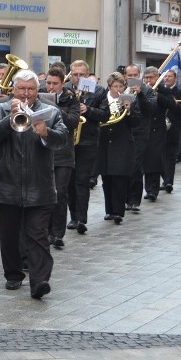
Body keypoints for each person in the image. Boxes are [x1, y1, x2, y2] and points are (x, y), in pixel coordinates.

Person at [0, 69, 67, 300]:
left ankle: (40, 280)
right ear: (14, 90)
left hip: (39, 185)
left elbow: (63, 139)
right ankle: (13, 273)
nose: (27, 94)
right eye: (22, 89)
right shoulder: (0, 108)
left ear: (37, 90)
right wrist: (9, 120)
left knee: (38, 235)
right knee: (8, 234)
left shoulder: (50, 110)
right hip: (6, 184)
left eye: (31, 89)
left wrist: (46, 132)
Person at [66, 59, 109, 234]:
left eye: (81, 75)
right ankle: (73, 215)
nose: (77, 78)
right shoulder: (66, 89)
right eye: (75, 75)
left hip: (88, 141)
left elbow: (105, 115)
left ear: (87, 74)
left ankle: (81, 218)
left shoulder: (97, 90)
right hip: (68, 141)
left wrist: (88, 110)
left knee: (82, 180)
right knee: (69, 181)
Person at [96, 72, 140, 225]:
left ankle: (118, 211)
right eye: (115, 86)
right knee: (107, 178)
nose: (118, 89)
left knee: (120, 178)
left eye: (121, 86)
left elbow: (136, 122)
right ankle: (109, 210)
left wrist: (129, 110)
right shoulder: (102, 99)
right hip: (104, 143)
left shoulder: (129, 100)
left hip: (122, 143)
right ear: (109, 87)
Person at [43, 67, 80, 249]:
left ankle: (58, 233)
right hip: (44, 153)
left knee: (60, 192)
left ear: (62, 84)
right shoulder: (39, 97)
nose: (50, 87)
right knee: (46, 194)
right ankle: (45, 230)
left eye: (54, 84)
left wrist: (55, 107)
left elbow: (73, 122)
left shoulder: (71, 99)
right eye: (48, 83)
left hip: (64, 154)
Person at [123, 64, 156, 212]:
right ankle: (123, 198)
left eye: (135, 75)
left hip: (140, 132)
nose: (132, 78)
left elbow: (150, 108)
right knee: (124, 166)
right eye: (129, 76)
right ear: (125, 76)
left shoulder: (147, 90)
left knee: (136, 166)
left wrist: (141, 93)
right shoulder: (120, 88)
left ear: (139, 75)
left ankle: (134, 200)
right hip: (124, 132)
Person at [142, 66, 173, 201]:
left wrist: (157, 94)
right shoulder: (141, 89)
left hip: (157, 129)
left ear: (157, 77)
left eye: (151, 77)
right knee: (146, 160)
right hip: (144, 128)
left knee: (154, 158)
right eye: (146, 77)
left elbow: (171, 104)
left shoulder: (163, 89)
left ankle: (153, 190)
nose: (149, 80)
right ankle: (149, 187)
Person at [161, 69, 181, 193]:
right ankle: (164, 178)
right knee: (160, 156)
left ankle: (169, 182)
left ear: (175, 78)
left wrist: (175, 105)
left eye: (169, 76)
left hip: (174, 128)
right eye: (165, 76)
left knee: (171, 156)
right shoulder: (159, 91)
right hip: (160, 129)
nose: (167, 78)